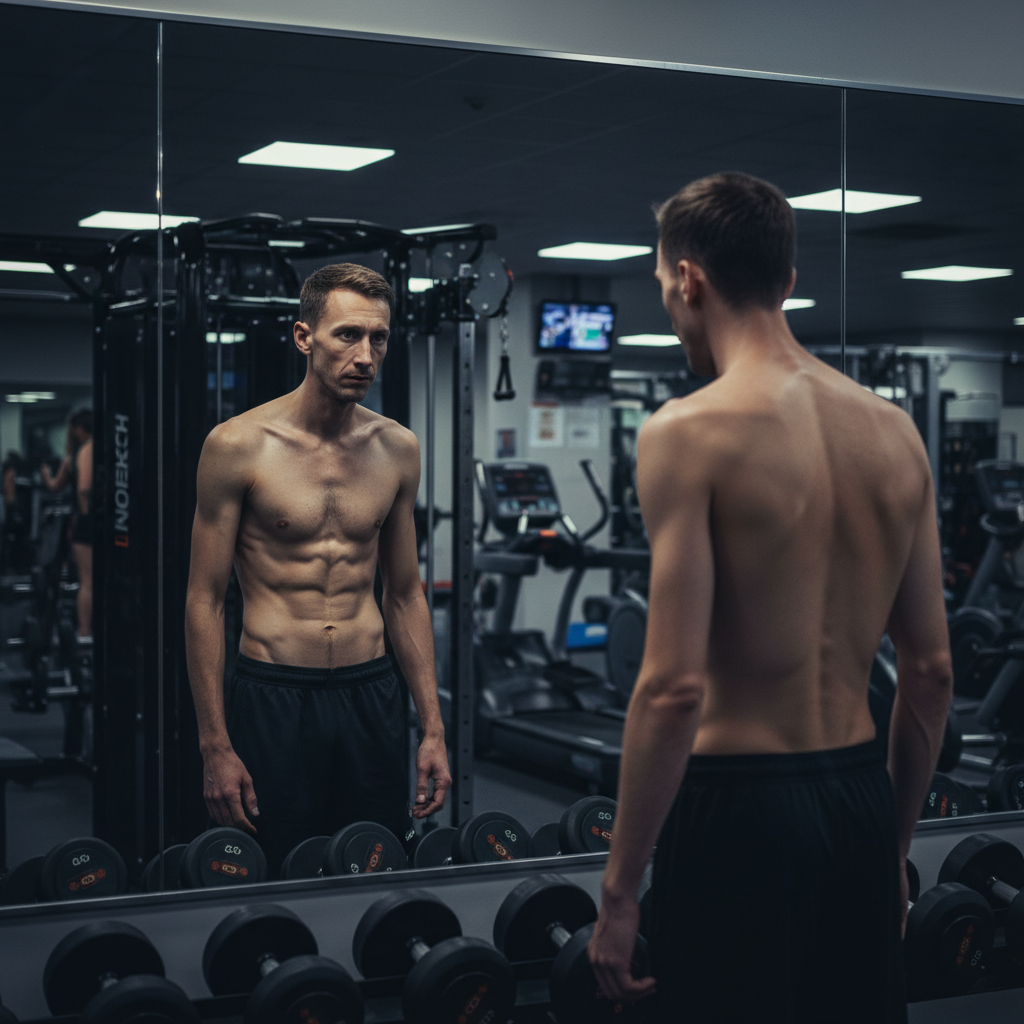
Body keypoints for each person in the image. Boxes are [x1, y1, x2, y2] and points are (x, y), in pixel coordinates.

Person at [587, 173, 953, 1023]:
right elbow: (930, 671)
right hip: (861, 796)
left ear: (688, 279)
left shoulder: (688, 430)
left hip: (741, 809)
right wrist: (887, 853)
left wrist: (618, 890)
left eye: (662, 289)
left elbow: (673, 689)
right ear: (787, 281)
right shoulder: (895, 431)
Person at [185, 262, 451, 877]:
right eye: (348, 335)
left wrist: (432, 726)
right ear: (305, 337)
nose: (366, 355)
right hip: (275, 695)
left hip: (371, 693)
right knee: (277, 867)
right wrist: (214, 745)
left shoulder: (398, 449)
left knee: (374, 865)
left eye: (378, 338)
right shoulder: (237, 446)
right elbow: (204, 600)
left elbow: (405, 595)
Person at [41, 409, 93, 637]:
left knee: (87, 581)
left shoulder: (82, 452)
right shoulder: (83, 453)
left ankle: (84, 634)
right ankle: (84, 634)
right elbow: (65, 487)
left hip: (86, 525)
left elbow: (81, 488)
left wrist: (85, 518)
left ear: (80, 428)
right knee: (89, 581)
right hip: (87, 524)